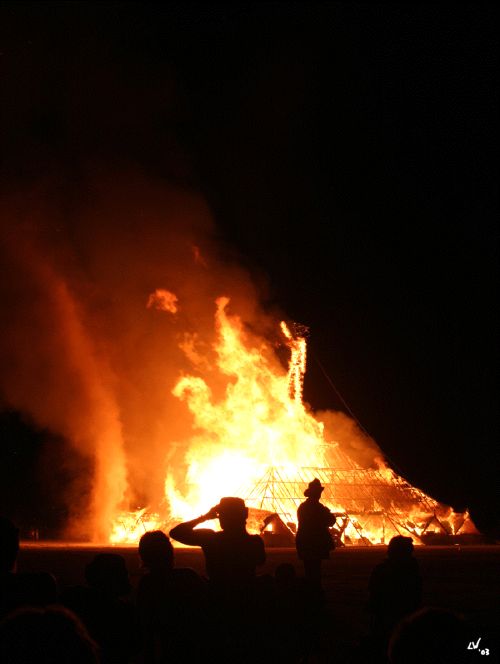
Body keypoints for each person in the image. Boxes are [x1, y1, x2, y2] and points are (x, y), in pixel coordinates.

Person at [169, 497, 265, 590]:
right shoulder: (255, 542)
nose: (220, 518)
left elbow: (176, 533)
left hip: (217, 596)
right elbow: (260, 561)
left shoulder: (211, 539)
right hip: (246, 598)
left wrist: (205, 517)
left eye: (222, 514)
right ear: (245, 514)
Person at [368, 535, 422, 640]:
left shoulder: (382, 569)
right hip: (403, 611)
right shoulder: (412, 569)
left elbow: (372, 591)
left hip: (386, 612)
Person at [295, 478, 336, 590]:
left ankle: (310, 592)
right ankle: (315, 593)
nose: (320, 494)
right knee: (315, 571)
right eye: (318, 492)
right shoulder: (318, 508)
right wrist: (328, 512)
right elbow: (331, 521)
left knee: (309, 569)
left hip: (304, 542)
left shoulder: (302, 507)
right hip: (315, 543)